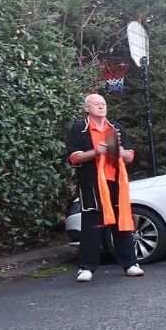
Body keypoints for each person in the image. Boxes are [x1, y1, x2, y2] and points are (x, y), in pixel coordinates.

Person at [65, 93, 144, 282]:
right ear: (87, 108)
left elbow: (130, 156)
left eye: (103, 103)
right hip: (92, 185)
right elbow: (73, 158)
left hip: (116, 183)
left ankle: (130, 264)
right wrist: (95, 152)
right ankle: (86, 267)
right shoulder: (79, 129)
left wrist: (121, 152)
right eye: (96, 103)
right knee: (92, 225)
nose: (101, 106)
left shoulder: (115, 128)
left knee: (122, 223)